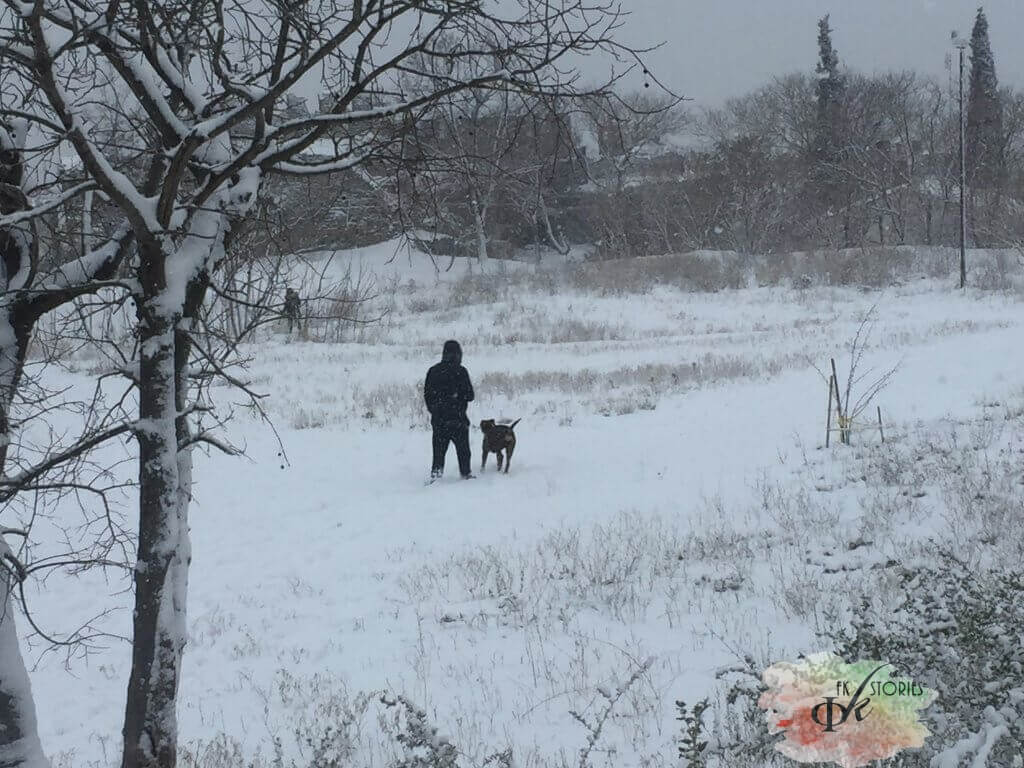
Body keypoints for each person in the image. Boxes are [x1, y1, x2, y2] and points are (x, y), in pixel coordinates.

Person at [424, 340, 475, 481]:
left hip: (439, 420)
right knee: (464, 451)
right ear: (458, 354)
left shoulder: (433, 371)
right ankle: (466, 475)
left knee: (438, 453)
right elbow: (470, 396)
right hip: (458, 420)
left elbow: (427, 396)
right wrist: (457, 397)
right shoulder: (461, 371)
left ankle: (436, 476)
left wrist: (435, 410)